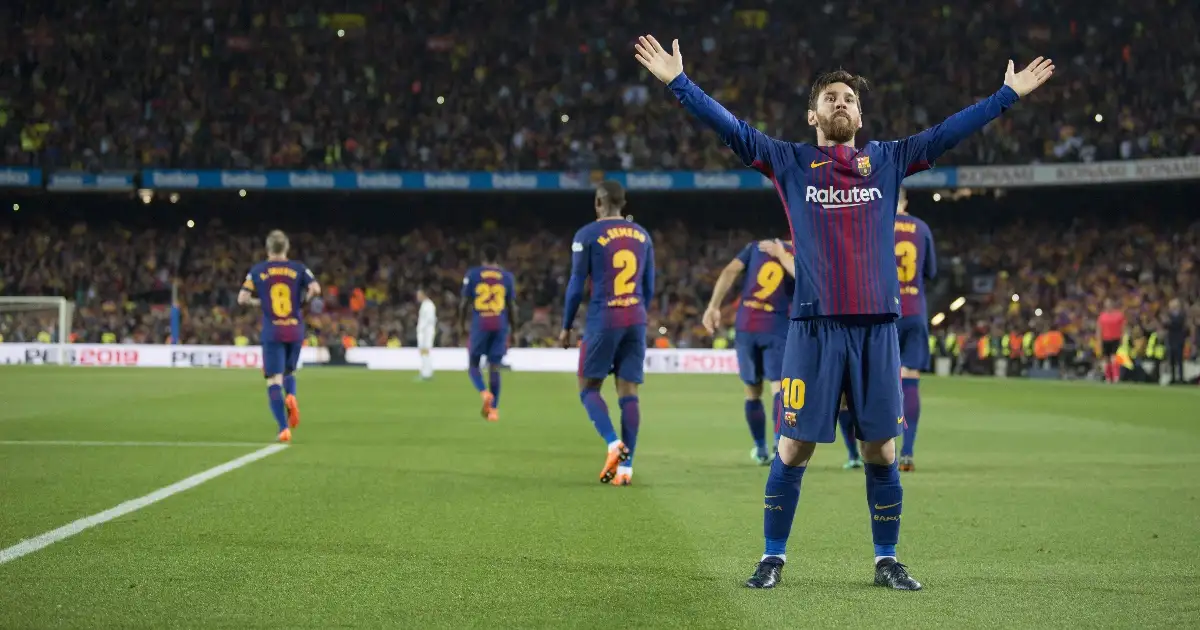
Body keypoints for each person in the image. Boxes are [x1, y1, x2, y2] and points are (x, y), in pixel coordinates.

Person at [635, 33, 1052, 590]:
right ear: (813, 114)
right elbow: (732, 131)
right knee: (794, 446)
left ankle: (886, 559)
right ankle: (773, 557)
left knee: (881, 448)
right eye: (831, 98)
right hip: (812, 327)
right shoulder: (789, 161)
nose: (841, 104)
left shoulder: (889, 159)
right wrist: (679, 84)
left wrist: (1006, 96)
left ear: (860, 114)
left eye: (849, 99)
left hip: (878, 328)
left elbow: (948, 133)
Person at [561, 181, 655, 486]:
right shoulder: (643, 235)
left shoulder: (587, 234)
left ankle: (614, 443)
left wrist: (566, 325)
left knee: (588, 388)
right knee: (629, 393)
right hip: (635, 317)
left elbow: (576, 285)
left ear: (599, 202)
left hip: (605, 317)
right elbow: (649, 286)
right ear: (623, 203)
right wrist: (638, 313)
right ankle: (627, 469)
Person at [703, 238, 796, 465]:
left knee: (752, 391)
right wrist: (784, 256)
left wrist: (713, 306)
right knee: (779, 389)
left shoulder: (756, 247)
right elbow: (806, 279)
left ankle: (761, 449)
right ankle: (777, 445)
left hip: (747, 324)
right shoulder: (800, 253)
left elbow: (729, 271)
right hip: (775, 326)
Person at [238, 230, 321, 442]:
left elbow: (242, 298)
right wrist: (302, 301)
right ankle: (291, 394)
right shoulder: (298, 268)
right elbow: (315, 288)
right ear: (286, 248)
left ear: (267, 249)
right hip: (294, 327)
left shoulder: (258, 270)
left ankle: (283, 427)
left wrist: (260, 302)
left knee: (273, 379)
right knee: (289, 371)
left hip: (273, 328)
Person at [892, 190, 937, 471]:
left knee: (878, 380)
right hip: (915, 312)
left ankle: (879, 452)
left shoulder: (877, 222)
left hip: (884, 311)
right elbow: (931, 272)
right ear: (905, 201)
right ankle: (907, 453)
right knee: (911, 378)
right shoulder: (922, 228)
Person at [459, 245, 516, 422]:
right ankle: (494, 410)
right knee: (494, 367)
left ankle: (484, 392)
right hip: (500, 324)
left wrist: (461, 326)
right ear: (498, 257)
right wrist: (514, 329)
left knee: (473, 365)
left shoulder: (473, 275)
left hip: (481, 323)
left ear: (482, 257)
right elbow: (512, 306)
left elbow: (463, 303)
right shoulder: (507, 277)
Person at [1097, 298, 1126, 383]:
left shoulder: (1119, 315)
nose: (1108, 305)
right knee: (1106, 359)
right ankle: (1108, 378)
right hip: (1105, 339)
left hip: (1115, 338)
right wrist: (1099, 340)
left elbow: (1123, 328)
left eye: (1109, 304)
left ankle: (1116, 377)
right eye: (1107, 304)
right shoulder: (1102, 316)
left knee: (1114, 358)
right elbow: (1099, 328)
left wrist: (1122, 338)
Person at [1164, 298, 1188, 384]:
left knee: (1179, 360)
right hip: (1171, 340)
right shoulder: (1170, 316)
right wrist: (1169, 323)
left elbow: (1176, 324)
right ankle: (1173, 377)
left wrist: (1169, 322)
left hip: (1178, 340)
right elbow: (1166, 324)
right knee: (1172, 360)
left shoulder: (1181, 315)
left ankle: (1181, 377)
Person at [416, 288, 437, 381]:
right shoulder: (424, 305)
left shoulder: (429, 305)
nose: (417, 297)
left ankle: (427, 373)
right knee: (423, 352)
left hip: (426, 332)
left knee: (426, 352)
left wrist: (423, 330)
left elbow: (430, 319)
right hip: (423, 332)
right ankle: (425, 371)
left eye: (419, 295)